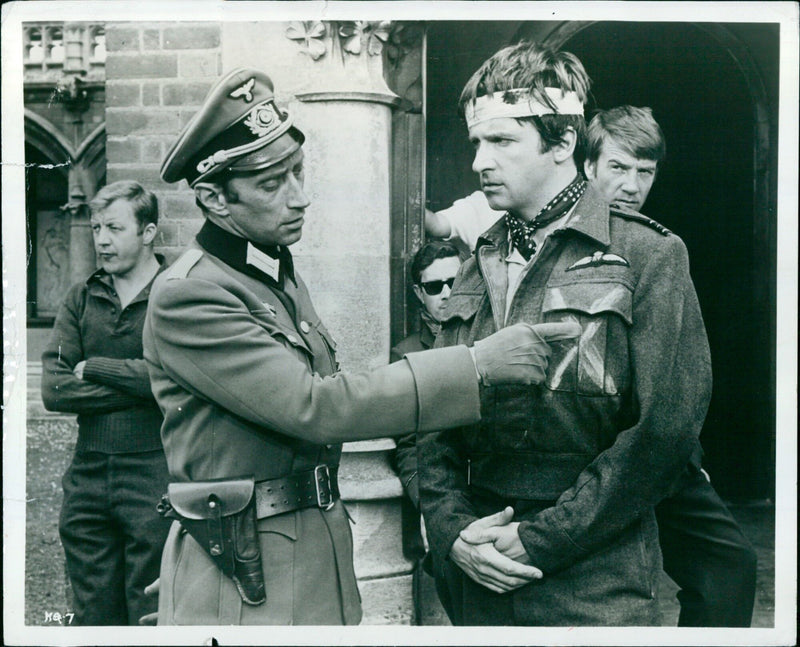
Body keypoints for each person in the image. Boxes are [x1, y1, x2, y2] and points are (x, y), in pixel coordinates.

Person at [143, 67, 580, 626]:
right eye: (272, 185)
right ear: (213, 198)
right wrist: (475, 366)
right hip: (245, 567)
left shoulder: (268, 274)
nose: (300, 198)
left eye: (298, 172)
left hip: (300, 552)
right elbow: (314, 405)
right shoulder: (191, 294)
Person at [427, 102, 758, 626]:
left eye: (502, 141)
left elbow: (664, 426)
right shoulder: (479, 258)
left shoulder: (651, 252)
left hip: (596, 566)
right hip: (482, 568)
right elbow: (433, 418)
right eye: (618, 167)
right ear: (587, 161)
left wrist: (544, 538)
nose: (479, 161)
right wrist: (452, 534)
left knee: (728, 564)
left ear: (563, 146)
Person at [40, 180, 170, 625]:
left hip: (156, 472)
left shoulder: (176, 294)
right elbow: (55, 389)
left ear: (148, 232)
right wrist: (144, 384)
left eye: (114, 228)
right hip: (88, 475)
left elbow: (178, 379)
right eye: (96, 228)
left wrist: (96, 367)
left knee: (151, 611)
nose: (101, 240)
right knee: (92, 613)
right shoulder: (81, 297)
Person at [391, 240, 462, 624]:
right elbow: (407, 446)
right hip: (445, 499)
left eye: (455, 281)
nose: (447, 293)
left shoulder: (494, 333)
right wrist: (433, 506)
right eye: (435, 286)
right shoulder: (406, 354)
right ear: (420, 293)